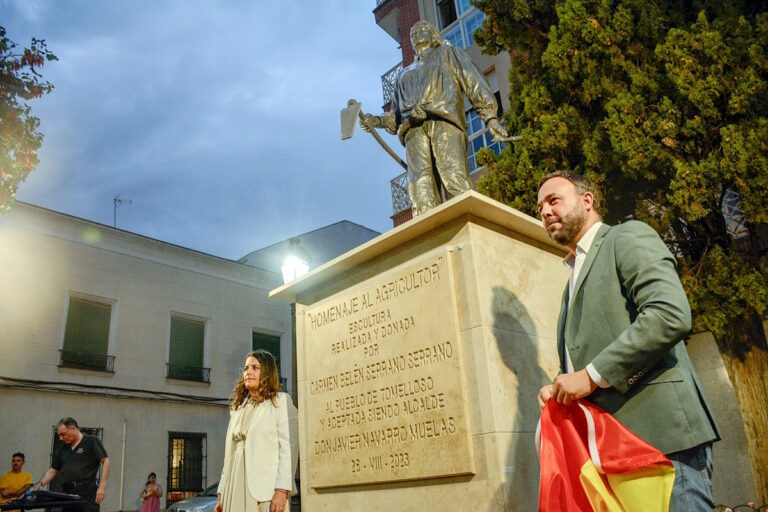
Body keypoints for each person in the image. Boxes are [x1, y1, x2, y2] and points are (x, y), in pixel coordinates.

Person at [535, 172, 720, 511]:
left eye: (554, 200)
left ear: (587, 200)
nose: (545, 211)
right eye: (540, 207)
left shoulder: (627, 236)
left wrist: (590, 375)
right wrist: (560, 388)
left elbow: (668, 314)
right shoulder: (570, 281)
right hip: (615, 454)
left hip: (663, 443)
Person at [361, 21, 509, 216]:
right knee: (420, 187)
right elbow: (394, 116)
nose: (417, 33)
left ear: (434, 36)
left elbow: (473, 82)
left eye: (423, 29)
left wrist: (490, 117)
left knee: (453, 176)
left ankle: (465, 223)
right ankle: (428, 234)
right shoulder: (403, 75)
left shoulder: (448, 53)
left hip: (444, 122)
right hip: (412, 131)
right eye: (413, 32)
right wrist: (375, 121)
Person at [215, 350, 298, 512]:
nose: (248, 372)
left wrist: (281, 490)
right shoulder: (238, 407)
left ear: (267, 372)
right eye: (246, 368)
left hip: (265, 489)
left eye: (255, 368)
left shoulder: (281, 402)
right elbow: (229, 455)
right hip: (235, 481)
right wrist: (222, 492)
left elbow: (289, 448)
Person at [32, 417, 110, 512]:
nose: (61, 438)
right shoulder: (64, 448)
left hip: (87, 493)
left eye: (63, 434)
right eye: (59, 435)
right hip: (68, 493)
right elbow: (53, 470)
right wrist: (40, 484)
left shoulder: (91, 441)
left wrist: (102, 487)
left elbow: (105, 461)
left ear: (73, 429)